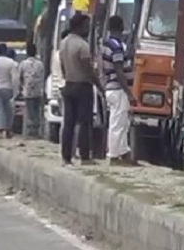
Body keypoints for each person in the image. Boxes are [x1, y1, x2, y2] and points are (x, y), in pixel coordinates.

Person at [58, 13, 102, 165]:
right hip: (82, 86)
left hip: (69, 84)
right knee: (84, 122)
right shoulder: (82, 45)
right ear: (80, 26)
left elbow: (63, 67)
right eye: (87, 26)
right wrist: (99, 84)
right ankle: (84, 156)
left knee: (68, 122)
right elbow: (88, 69)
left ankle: (66, 156)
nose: (88, 29)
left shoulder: (63, 43)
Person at [102, 15, 138, 165]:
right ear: (121, 27)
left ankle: (124, 152)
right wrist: (129, 93)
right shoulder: (116, 47)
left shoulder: (106, 44)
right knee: (117, 123)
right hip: (118, 88)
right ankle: (114, 155)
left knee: (123, 123)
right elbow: (119, 71)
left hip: (111, 88)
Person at [18, 42, 46, 139]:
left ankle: (30, 132)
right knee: (37, 111)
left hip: (28, 91)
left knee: (30, 112)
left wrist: (22, 87)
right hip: (38, 91)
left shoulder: (23, 64)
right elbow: (43, 77)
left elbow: (20, 77)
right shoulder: (40, 64)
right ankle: (37, 131)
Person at [0, 43, 18, 138]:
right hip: (8, 88)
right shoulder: (12, 63)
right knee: (9, 110)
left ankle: (0, 129)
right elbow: (15, 79)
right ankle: (8, 130)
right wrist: (15, 92)